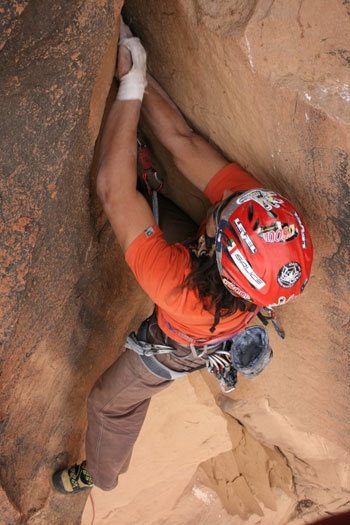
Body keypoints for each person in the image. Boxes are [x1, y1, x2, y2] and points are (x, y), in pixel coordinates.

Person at [52, 18, 313, 494]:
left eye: (224, 214)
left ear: (218, 251)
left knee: (108, 404)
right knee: (155, 204)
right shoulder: (260, 222)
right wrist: (138, 70)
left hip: (177, 344)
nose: (224, 201)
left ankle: (101, 474)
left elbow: (112, 191)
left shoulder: (179, 287)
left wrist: (129, 88)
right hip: (210, 287)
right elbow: (183, 142)